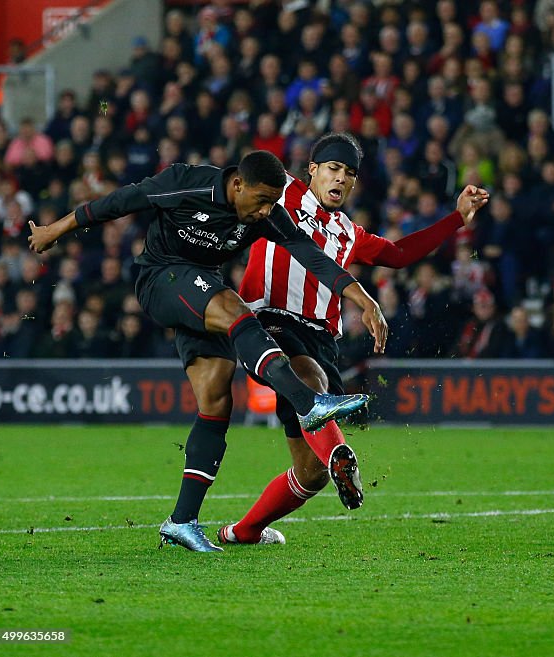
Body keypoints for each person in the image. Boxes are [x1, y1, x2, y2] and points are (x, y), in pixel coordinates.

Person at [27, 150, 388, 552]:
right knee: (239, 312)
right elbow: (118, 203)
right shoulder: (188, 182)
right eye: (261, 200)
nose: (266, 210)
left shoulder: (267, 214)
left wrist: (364, 299)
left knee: (216, 395)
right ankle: (308, 402)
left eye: (273, 202)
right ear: (237, 185)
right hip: (160, 275)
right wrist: (53, 231)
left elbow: (313, 258)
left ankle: (182, 521)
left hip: (201, 287)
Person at [218, 133, 489, 546]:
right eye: (332, 168)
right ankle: (342, 452)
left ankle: (245, 530)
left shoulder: (348, 233)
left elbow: (398, 255)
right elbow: (244, 175)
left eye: (349, 174)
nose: (340, 179)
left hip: (322, 338)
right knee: (308, 377)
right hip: (270, 320)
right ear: (311, 170)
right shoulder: (283, 192)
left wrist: (457, 218)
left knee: (310, 473)